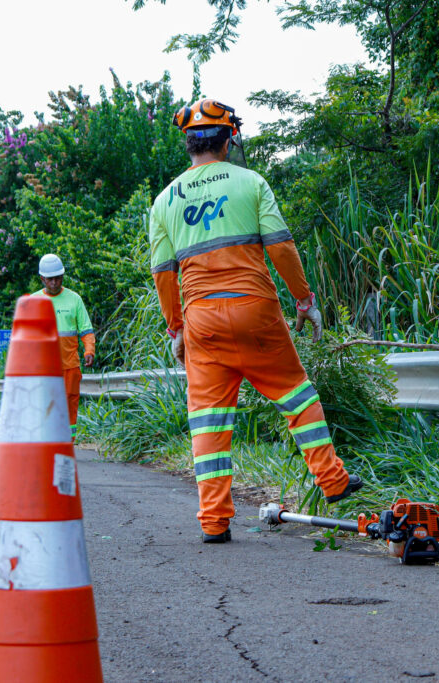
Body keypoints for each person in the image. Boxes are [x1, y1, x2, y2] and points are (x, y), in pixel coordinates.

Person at [148, 98, 363, 544]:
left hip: (202, 321)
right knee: (297, 396)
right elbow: (282, 248)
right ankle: (333, 481)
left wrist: (176, 328)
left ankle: (213, 521)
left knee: (207, 422)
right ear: (229, 139)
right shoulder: (252, 182)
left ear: (188, 144)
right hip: (256, 312)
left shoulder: (165, 200)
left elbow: (163, 274)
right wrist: (304, 301)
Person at [32, 253, 95, 441]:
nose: (54, 282)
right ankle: (46, 441)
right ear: (42, 279)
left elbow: (86, 330)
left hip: (69, 365)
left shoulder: (74, 299)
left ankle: (68, 443)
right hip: (43, 368)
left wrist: (89, 350)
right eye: (50, 279)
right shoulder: (33, 301)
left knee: (70, 403)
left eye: (58, 278)